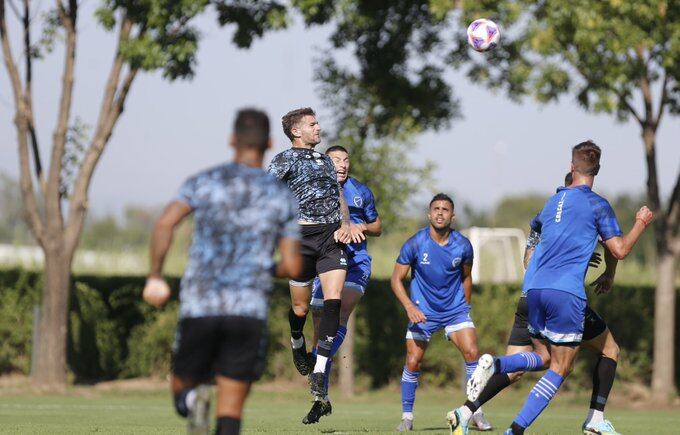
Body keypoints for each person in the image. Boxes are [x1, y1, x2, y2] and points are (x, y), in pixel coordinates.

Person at [462, 141, 653, 435]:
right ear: (597, 171)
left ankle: (498, 364)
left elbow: (536, 230)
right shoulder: (597, 204)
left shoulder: (552, 203)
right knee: (561, 367)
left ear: (571, 167)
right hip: (565, 293)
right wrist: (641, 223)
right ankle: (519, 428)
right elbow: (620, 249)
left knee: (548, 357)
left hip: (534, 290)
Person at [142, 109, 303, 435]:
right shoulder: (281, 195)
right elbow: (294, 266)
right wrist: (263, 267)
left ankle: (190, 402)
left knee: (182, 388)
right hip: (247, 311)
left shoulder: (205, 181)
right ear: (270, 142)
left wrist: (155, 276)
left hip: (201, 305)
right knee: (230, 414)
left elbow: (164, 223)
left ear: (232, 140)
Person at [267, 108, 364, 399]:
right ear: (296, 131)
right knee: (301, 308)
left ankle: (320, 369)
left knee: (333, 301)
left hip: (330, 237)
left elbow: (339, 197)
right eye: (312, 124)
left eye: (318, 122)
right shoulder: (283, 160)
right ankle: (297, 340)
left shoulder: (324, 160)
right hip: (300, 239)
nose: (318, 127)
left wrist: (345, 223)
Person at [391, 193, 492, 432]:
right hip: (422, 311)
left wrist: (464, 307)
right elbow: (396, 279)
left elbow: (466, 277)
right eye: (435, 208)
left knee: (473, 353)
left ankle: (476, 412)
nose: (440, 212)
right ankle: (407, 417)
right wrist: (409, 307)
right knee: (413, 362)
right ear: (429, 214)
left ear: (452, 215)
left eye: (445, 209)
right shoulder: (415, 243)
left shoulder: (463, 245)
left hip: (455, 310)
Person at [304, 145, 382, 424]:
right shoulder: (316, 192)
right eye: (336, 159)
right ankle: (320, 400)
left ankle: (317, 364)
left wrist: (360, 227)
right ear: (326, 163)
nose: (342, 164)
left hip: (356, 263)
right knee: (321, 327)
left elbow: (378, 227)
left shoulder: (361, 192)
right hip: (325, 265)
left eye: (346, 159)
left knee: (340, 313)